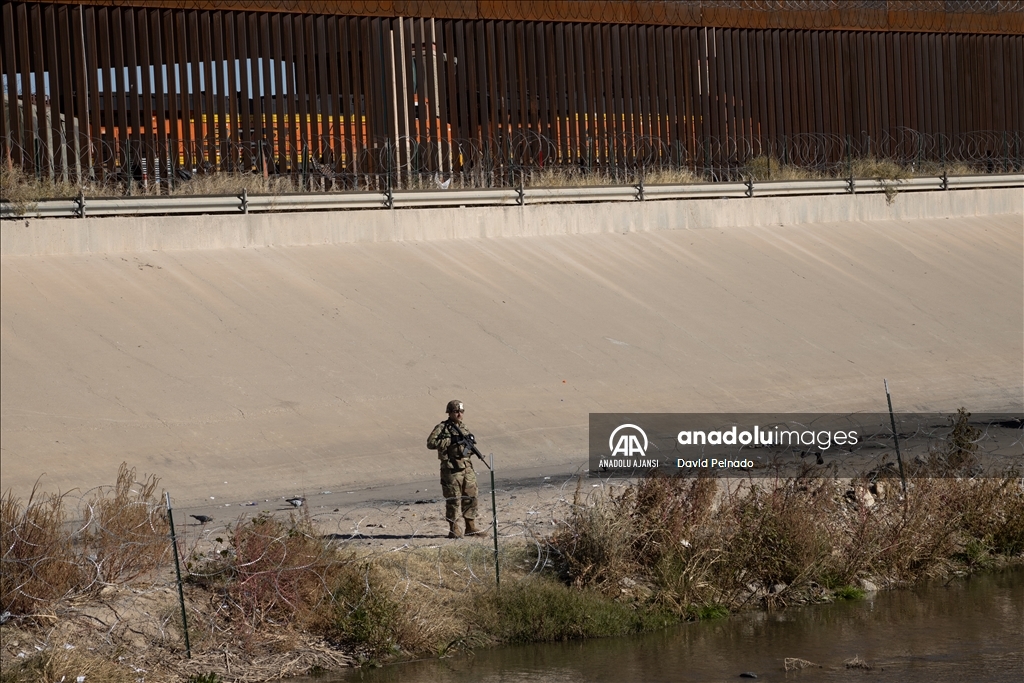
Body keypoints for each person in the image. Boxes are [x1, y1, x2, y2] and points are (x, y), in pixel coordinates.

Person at [427, 400, 483, 538]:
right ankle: (454, 529)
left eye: (461, 412)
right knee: (453, 499)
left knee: (471, 496)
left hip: (466, 468)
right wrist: (451, 440)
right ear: (450, 412)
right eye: (456, 411)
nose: (459, 414)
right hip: (451, 469)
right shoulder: (442, 428)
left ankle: (470, 526)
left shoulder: (464, 428)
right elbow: (431, 443)